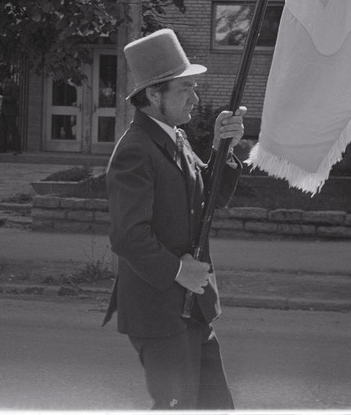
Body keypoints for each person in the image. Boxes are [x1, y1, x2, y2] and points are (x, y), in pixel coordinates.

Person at [102, 28, 247, 410]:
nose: (195, 99)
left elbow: (206, 202)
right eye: (185, 89)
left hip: (191, 309)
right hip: (159, 313)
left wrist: (222, 149)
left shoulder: (173, 138)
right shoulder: (135, 150)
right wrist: (179, 271)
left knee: (216, 407)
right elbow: (128, 236)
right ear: (153, 94)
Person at [0, 74, 21, 153]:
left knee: (13, 129)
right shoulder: (4, 86)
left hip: (11, 111)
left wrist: (4, 98)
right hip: (4, 110)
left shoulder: (13, 86)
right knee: (2, 129)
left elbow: (15, 97)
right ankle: (1, 148)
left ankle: (17, 148)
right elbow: (0, 95)